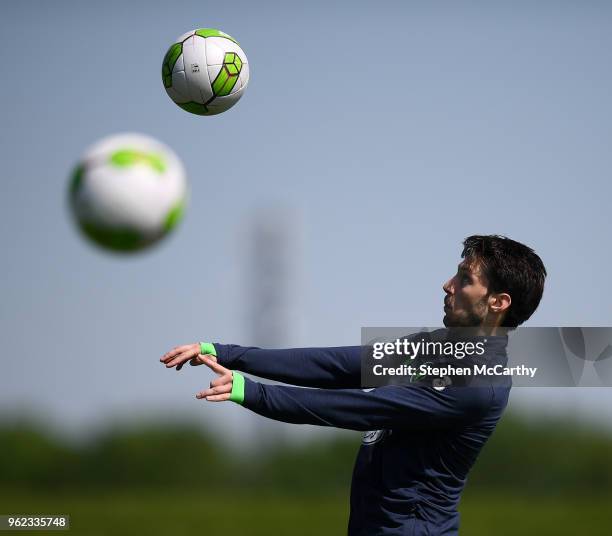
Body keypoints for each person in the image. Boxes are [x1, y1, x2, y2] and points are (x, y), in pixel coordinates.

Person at [160, 234, 546, 535]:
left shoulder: (479, 384)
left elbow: (359, 409)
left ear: (498, 302)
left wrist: (250, 390)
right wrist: (223, 351)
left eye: (465, 279)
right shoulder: (435, 346)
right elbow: (335, 365)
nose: (448, 285)